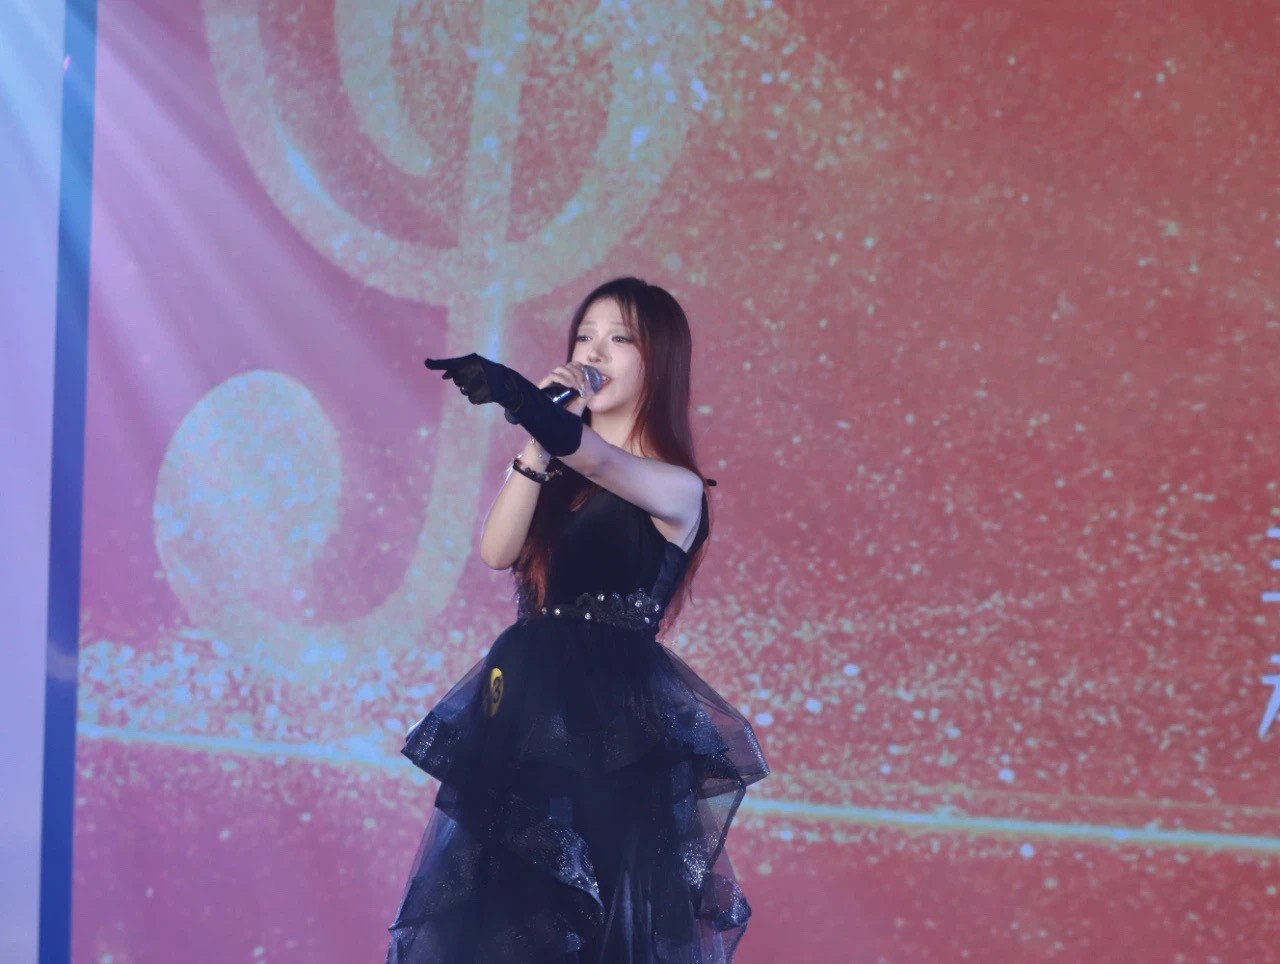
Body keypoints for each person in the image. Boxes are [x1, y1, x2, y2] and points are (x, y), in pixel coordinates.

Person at [387, 277, 770, 963]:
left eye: (620, 339)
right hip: (524, 712)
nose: (594, 352)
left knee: (587, 917)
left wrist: (525, 403)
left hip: (609, 733)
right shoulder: (558, 465)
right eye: (585, 336)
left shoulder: (676, 487)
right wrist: (537, 437)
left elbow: (597, 457)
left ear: (660, 360)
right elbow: (497, 549)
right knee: (504, 918)